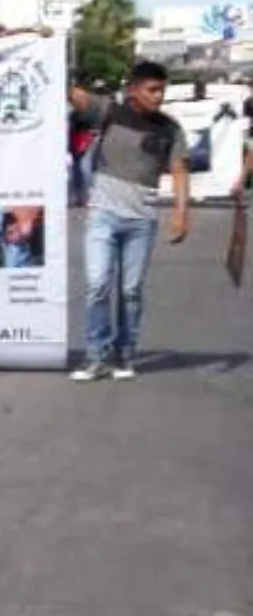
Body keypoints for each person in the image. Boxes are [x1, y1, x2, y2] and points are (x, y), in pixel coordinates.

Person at [69, 62, 190, 382]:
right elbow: (69, 93)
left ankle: (124, 355)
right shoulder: (109, 112)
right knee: (97, 285)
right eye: (152, 89)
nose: (159, 96)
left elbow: (179, 171)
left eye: (162, 90)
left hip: (141, 221)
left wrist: (181, 214)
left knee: (131, 290)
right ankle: (96, 357)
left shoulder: (170, 129)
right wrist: (39, 47)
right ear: (134, 90)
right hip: (103, 216)